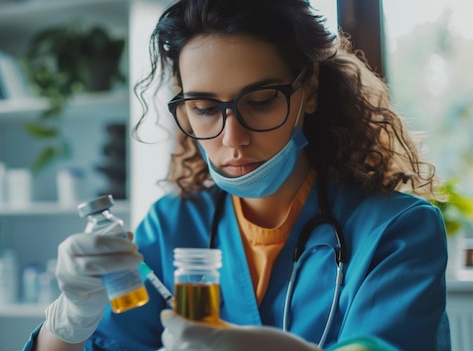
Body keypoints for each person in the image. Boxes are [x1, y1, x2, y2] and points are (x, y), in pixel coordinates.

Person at [23, 0, 451, 350]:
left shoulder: (396, 230)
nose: (233, 138)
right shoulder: (174, 225)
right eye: (206, 109)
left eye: (261, 101)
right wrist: (69, 321)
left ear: (311, 91)